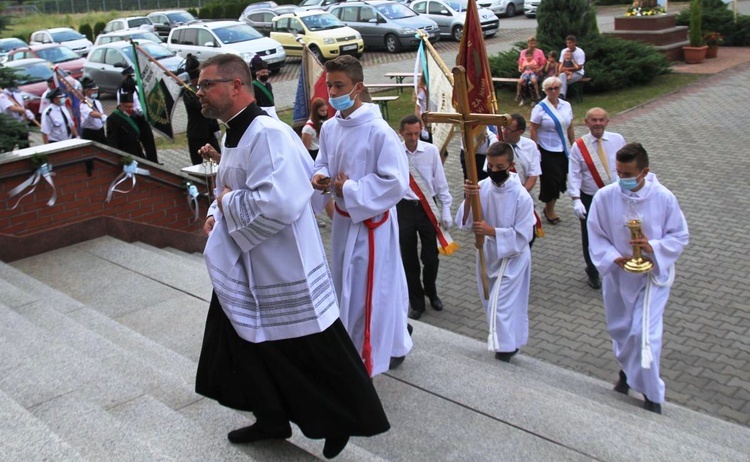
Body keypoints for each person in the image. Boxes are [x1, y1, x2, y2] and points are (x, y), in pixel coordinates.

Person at [194, 53, 390, 459]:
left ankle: (344, 419)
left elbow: (279, 201)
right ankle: (270, 417)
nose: (199, 92)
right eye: (199, 85)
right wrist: (218, 213)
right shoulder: (235, 131)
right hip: (249, 263)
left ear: (236, 86)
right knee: (242, 343)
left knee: (311, 346)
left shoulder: (267, 133)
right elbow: (230, 187)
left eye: (206, 84)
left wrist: (228, 206)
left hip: (283, 264)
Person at [311, 55, 413, 377]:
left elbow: (395, 182)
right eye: (329, 85)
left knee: (369, 293)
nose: (332, 92)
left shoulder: (379, 132)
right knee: (346, 285)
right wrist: (320, 178)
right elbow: (323, 162)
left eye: (339, 85)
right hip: (343, 222)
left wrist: (351, 189)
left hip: (372, 226)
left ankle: (363, 358)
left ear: (358, 88)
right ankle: (393, 345)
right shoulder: (329, 127)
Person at [587, 142, 689, 414]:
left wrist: (653, 246)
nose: (622, 179)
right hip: (619, 275)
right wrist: (611, 257)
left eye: (628, 174)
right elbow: (595, 233)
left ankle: (652, 395)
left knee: (643, 333)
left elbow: (679, 235)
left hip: (650, 277)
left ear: (645, 171)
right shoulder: (605, 196)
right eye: (619, 173)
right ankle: (626, 373)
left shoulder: (664, 198)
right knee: (621, 330)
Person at [456, 142, 535, 362]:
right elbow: (464, 222)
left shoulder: (521, 196)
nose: (494, 171)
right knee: (490, 300)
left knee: (501, 303)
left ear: (510, 165)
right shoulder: (482, 187)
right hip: (488, 253)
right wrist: (470, 198)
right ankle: (512, 341)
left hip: (512, 256)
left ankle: (504, 349)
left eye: (500, 166)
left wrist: (492, 231)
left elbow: (523, 235)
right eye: (490, 166)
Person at [397, 114, 453, 321]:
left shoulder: (430, 151)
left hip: (427, 207)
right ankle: (416, 301)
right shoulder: (395, 152)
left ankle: (432, 291)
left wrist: (446, 208)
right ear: (401, 132)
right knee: (408, 258)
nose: (413, 137)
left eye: (416, 133)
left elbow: (440, 183)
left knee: (430, 257)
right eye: (409, 133)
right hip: (403, 208)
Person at [567, 107, 626, 290]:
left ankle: (616, 266)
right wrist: (576, 198)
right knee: (590, 236)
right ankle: (592, 271)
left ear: (607, 122)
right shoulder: (579, 146)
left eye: (601, 120)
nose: (598, 123)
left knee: (616, 232)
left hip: (615, 197)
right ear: (586, 123)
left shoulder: (618, 140)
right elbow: (574, 174)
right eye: (594, 120)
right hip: (589, 198)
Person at [530, 76, 574, 226]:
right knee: (550, 180)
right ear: (545, 91)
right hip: (546, 149)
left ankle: (551, 207)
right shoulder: (540, 108)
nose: (553, 91)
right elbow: (533, 129)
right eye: (550, 89)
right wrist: (535, 149)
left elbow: (570, 126)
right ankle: (549, 210)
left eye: (556, 88)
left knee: (561, 178)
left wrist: (574, 145)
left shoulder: (566, 106)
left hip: (562, 148)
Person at [493, 114, 542, 246]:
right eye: (503, 128)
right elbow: (491, 173)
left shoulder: (530, 145)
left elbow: (533, 173)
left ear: (519, 132)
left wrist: (521, 194)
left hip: (524, 195)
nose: (504, 131)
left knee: (527, 236)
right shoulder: (497, 144)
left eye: (508, 129)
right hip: (502, 197)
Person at [183, 53, 221, 165]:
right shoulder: (188, 93)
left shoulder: (205, 89)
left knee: (219, 160)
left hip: (209, 131)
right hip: (196, 133)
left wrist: (215, 127)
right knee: (197, 164)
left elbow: (211, 111)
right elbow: (200, 106)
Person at [106, 92, 158, 163]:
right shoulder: (113, 118)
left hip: (137, 150)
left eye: (131, 106)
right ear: (121, 105)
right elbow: (112, 140)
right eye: (127, 107)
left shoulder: (134, 114)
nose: (130, 109)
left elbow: (144, 132)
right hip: (125, 152)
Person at [79, 77, 107, 144]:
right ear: (86, 91)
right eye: (93, 90)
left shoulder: (97, 102)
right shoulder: (83, 104)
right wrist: (101, 116)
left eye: (96, 90)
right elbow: (91, 113)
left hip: (100, 131)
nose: (96, 92)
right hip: (90, 132)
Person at [559, 35, 585, 100]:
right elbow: (560, 63)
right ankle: (561, 96)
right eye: (567, 43)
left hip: (577, 73)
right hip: (564, 73)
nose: (568, 44)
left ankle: (561, 97)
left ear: (574, 43)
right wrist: (560, 70)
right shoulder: (564, 51)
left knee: (561, 80)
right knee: (561, 77)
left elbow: (579, 67)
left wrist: (567, 69)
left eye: (570, 43)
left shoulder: (580, 52)